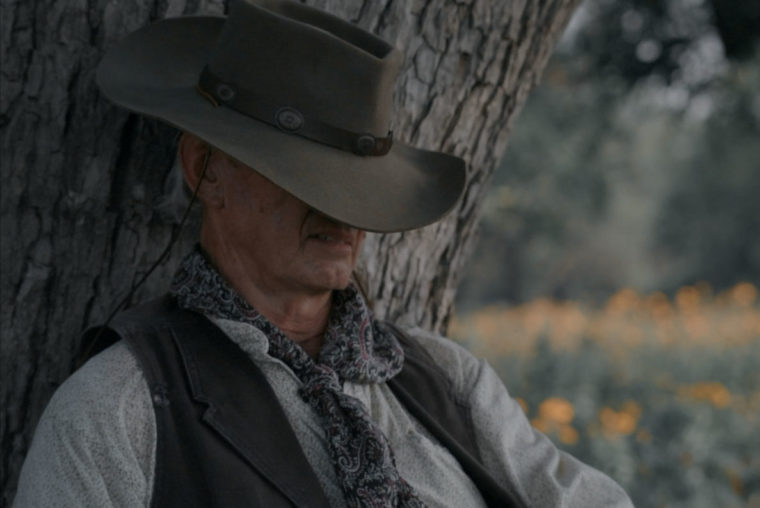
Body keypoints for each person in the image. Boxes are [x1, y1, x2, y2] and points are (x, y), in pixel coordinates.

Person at [13, 0, 633, 506]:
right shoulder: (116, 413)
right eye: (307, 177)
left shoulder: (447, 379)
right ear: (205, 170)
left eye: (359, 190)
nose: (344, 214)